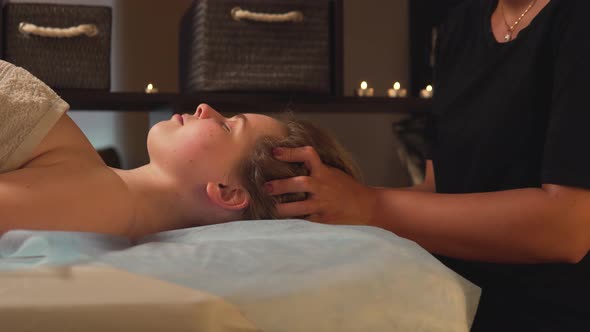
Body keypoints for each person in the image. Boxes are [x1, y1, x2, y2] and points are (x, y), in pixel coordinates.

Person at [265, 0, 590, 330]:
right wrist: (331, 207)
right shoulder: (461, 25)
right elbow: (438, 189)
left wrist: (368, 204)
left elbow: (569, 227)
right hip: (452, 305)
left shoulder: (577, 21)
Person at [0, 60, 360, 240]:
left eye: (227, 125)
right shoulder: (97, 182)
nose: (205, 108)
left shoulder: (102, 204)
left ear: (229, 191)